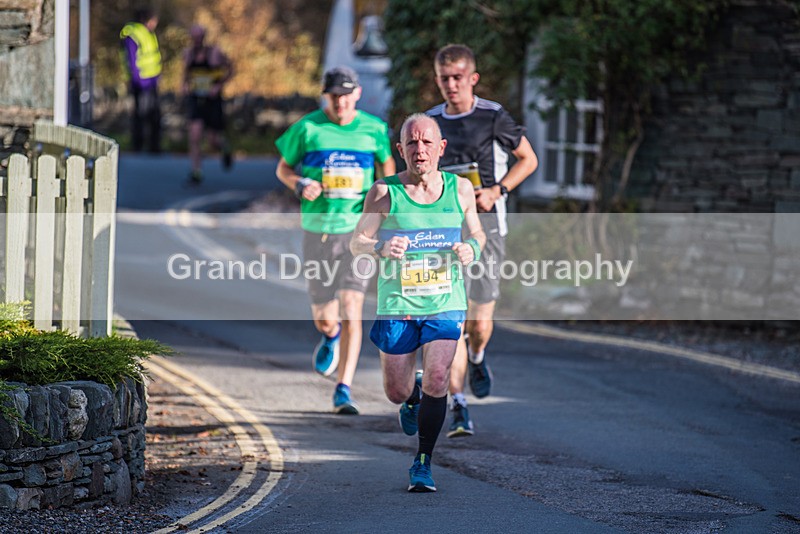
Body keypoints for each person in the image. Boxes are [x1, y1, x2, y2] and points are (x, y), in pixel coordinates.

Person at [351, 114, 485, 492]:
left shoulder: (460, 190)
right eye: (412, 143)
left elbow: (477, 233)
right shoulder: (383, 192)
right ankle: (412, 396)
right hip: (398, 304)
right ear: (400, 150)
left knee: (440, 377)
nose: (419, 150)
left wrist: (470, 248)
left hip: (446, 300)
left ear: (441, 148)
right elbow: (355, 241)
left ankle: (423, 462)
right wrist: (379, 245)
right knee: (396, 391)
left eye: (427, 142)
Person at [426, 44, 538, 437]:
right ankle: (459, 405)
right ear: (437, 79)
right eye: (444, 78)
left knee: (479, 322)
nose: (451, 85)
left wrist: (498, 191)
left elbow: (529, 159)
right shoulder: (430, 123)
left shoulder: (493, 116)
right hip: (442, 234)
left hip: (487, 229)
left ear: (472, 78)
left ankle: (477, 356)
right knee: (451, 322)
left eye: (458, 78)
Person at [275, 66, 395, 415]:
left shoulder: (374, 130)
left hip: (358, 232)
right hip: (319, 230)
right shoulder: (308, 128)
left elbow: (388, 172)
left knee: (352, 307)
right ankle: (329, 336)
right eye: (334, 96)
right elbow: (283, 168)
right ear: (325, 96)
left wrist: (388, 209)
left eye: (346, 95)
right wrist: (298, 183)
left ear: (357, 94)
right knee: (326, 317)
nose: (340, 102)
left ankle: (344, 388)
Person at [182, 24, 234, 184]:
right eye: (194, 37)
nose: (196, 41)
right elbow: (186, 74)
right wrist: (184, 86)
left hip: (213, 101)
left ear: (204, 37)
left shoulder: (214, 53)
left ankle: (224, 149)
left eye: (199, 37)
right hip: (196, 99)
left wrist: (219, 86)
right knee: (195, 135)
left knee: (213, 140)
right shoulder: (188, 54)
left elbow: (231, 69)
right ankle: (196, 171)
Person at [120, 9, 162, 153]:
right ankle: (138, 145)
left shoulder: (148, 34)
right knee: (141, 114)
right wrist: (137, 80)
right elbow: (132, 60)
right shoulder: (134, 34)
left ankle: (153, 146)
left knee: (154, 114)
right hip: (142, 82)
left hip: (151, 81)